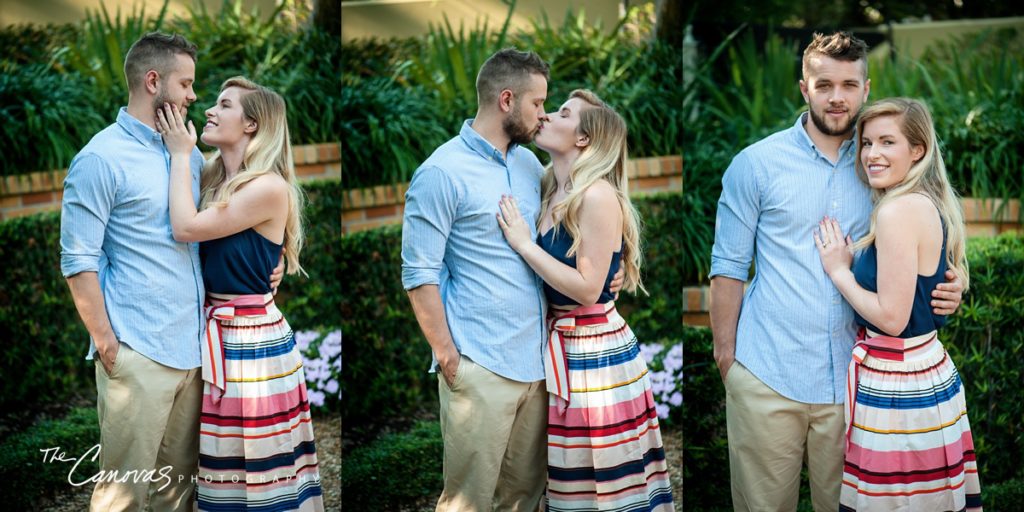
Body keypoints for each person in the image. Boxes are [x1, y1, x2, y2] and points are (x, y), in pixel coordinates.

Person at [709, 32, 964, 512]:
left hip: (858, 386)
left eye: (849, 84)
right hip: (768, 374)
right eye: (824, 84)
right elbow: (727, 268)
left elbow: (927, 236)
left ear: (866, 89)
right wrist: (729, 363)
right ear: (803, 87)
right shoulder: (755, 165)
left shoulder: (882, 166)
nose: (837, 96)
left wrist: (952, 284)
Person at [60, 32, 280, 511]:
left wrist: (271, 260)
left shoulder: (184, 155)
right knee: (123, 495)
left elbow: (228, 227)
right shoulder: (101, 159)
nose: (193, 96)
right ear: (153, 81)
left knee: (177, 493)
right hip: (139, 352)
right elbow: (78, 259)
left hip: (195, 352)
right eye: (186, 84)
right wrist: (106, 342)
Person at [401, 48, 623, 511]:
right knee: (468, 501)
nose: (543, 114)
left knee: (523, 498)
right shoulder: (441, 173)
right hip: (481, 365)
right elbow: (419, 273)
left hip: (541, 365)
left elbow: (575, 227)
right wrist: (448, 357)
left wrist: (608, 274)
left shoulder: (530, 167)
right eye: (539, 103)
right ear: (507, 100)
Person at [495, 89, 674, 511]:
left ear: (583, 140)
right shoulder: (546, 187)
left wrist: (525, 244)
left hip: (596, 356)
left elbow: (588, 288)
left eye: (563, 113)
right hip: (560, 347)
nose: (548, 117)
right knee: (570, 475)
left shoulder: (596, 196)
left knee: (608, 479)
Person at [157, 77, 324, 511]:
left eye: (224, 105)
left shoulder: (267, 187)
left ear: (252, 125)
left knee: (261, 467)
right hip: (217, 334)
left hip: (252, 343)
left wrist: (178, 153)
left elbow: (186, 228)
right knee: (223, 463)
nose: (210, 110)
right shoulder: (211, 176)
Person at [814, 97, 982, 511]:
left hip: (900, 382)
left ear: (918, 150)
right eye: (867, 143)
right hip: (921, 369)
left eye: (887, 142)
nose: (872, 154)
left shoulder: (897, 211)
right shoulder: (920, 201)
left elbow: (892, 318)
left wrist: (839, 271)